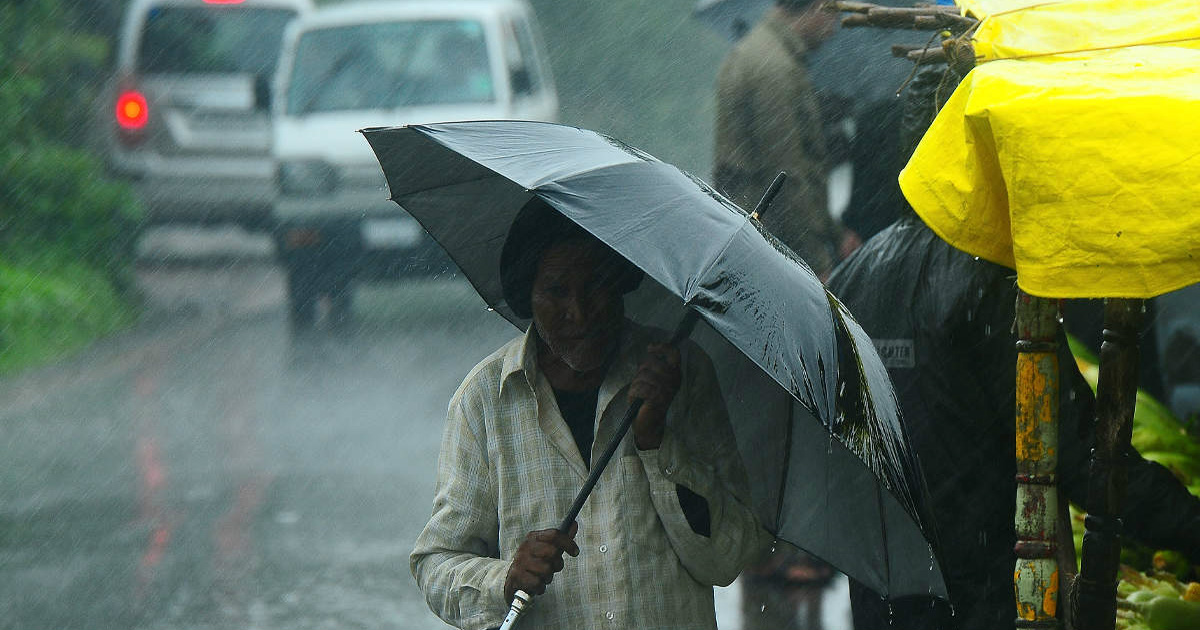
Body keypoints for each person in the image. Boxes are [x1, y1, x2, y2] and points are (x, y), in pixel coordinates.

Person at [827, 65, 1200, 630]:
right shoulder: (988, 285)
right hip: (986, 599)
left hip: (885, 597)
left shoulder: (850, 279)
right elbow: (1082, 458)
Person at [410, 200, 767, 629]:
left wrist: (657, 440)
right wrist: (504, 579)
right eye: (557, 292)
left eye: (595, 285)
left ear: (620, 284)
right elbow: (436, 564)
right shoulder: (484, 400)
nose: (578, 313)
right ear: (528, 294)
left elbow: (725, 558)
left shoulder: (683, 373)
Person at [713, 0, 845, 279]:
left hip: (757, 240)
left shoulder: (762, 53)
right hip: (772, 249)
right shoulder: (774, 68)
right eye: (833, 14)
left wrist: (836, 233)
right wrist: (817, 263)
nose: (834, 29)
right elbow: (786, 176)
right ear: (817, 6)